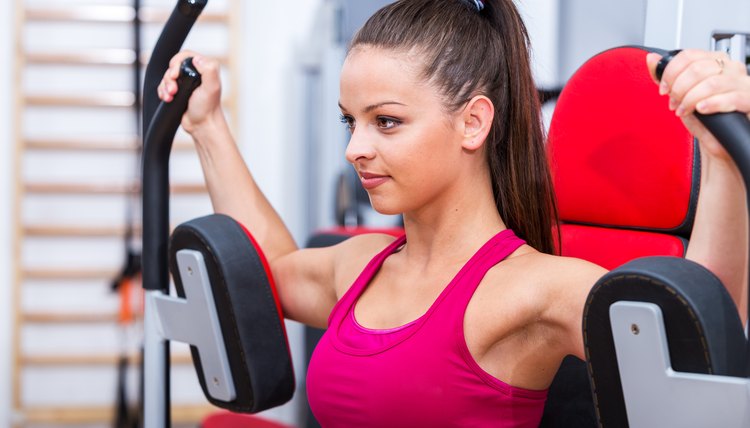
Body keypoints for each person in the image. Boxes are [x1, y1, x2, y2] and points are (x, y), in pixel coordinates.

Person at [158, 0, 750, 426]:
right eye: (351, 120)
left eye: (385, 121)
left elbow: (699, 341)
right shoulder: (359, 266)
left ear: (473, 122)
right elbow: (263, 267)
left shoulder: (533, 291)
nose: (355, 147)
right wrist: (208, 124)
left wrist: (724, 157)